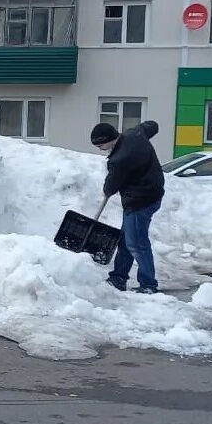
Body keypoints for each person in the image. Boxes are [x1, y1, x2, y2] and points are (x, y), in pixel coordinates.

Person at [91, 121, 165, 294]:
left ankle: (148, 285)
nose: (100, 149)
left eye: (100, 145)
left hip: (140, 201)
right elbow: (153, 125)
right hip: (152, 193)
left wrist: (107, 187)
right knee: (126, 240)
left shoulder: (119, 160)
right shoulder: (136, 133)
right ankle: (119, 277)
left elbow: (110, 188)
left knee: (136, 243)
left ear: (109, 140)